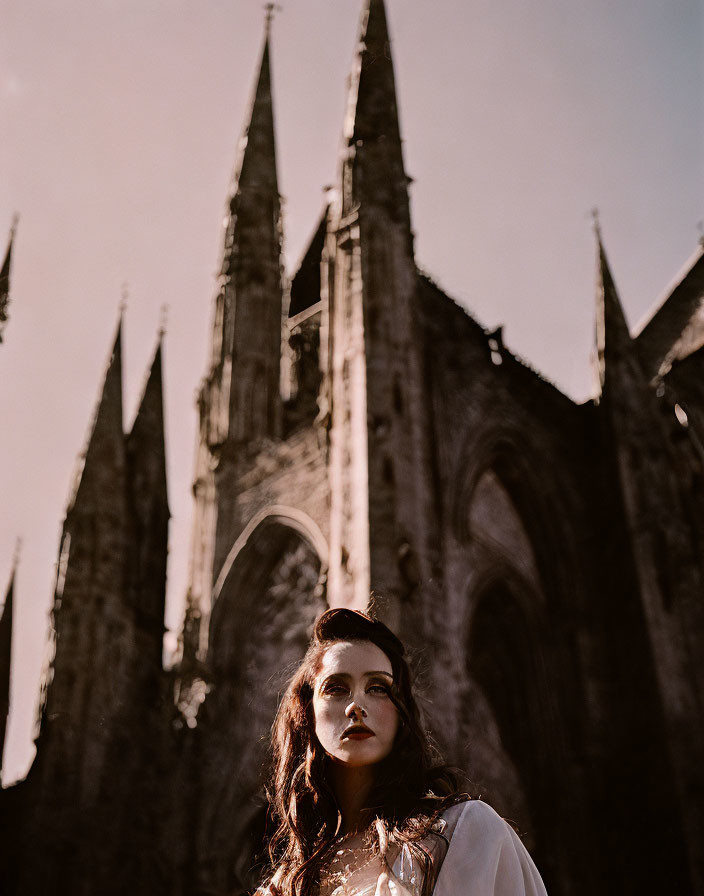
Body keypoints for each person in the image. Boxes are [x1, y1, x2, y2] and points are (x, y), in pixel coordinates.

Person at [261, 607, 547, 896]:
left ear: (402, 714)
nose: (355, 707)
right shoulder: (287, 883)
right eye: (335, 688)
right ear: (308, 713)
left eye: (378, 688)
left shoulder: (466, 832)